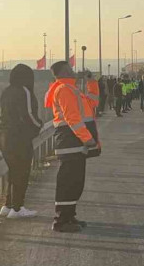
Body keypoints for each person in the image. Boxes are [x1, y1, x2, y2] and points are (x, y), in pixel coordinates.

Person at [46, 61, 99, 233]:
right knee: (68, 182)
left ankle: (69, 216)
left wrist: (91, 82)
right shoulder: (64, 90)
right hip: (71, 142)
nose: (74, 70)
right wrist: (87, 139)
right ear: (63, 72)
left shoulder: (73, 90)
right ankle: (61, 221)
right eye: (70, 68)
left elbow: (93, 103)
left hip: (76, 144)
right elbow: (72, 118)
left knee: (76, 182)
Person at [0, 64, 43, 219]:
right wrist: (39, 125)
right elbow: (29, 115)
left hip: (4, 137)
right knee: (22, 172)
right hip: (20, 138)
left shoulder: (6, 91)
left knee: (12, 171)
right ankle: (17, 208)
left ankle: (7, 205)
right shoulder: (24, 91)